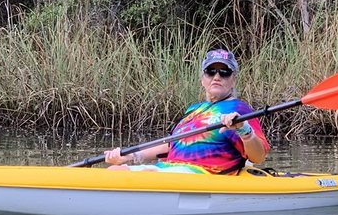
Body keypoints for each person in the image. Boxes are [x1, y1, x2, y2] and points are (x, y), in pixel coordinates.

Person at [104, 49, 269, 174]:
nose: (217, 77)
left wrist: (244, 129)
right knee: (114, 169)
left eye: (224, 72)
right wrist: (130, 156)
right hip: (169, 169)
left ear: (233, 80)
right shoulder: (193, 110)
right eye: (211, 72)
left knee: (121, 173)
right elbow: (169, 145)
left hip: (204, 173)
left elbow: (258, 157)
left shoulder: (240, 109)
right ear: (202, 80)